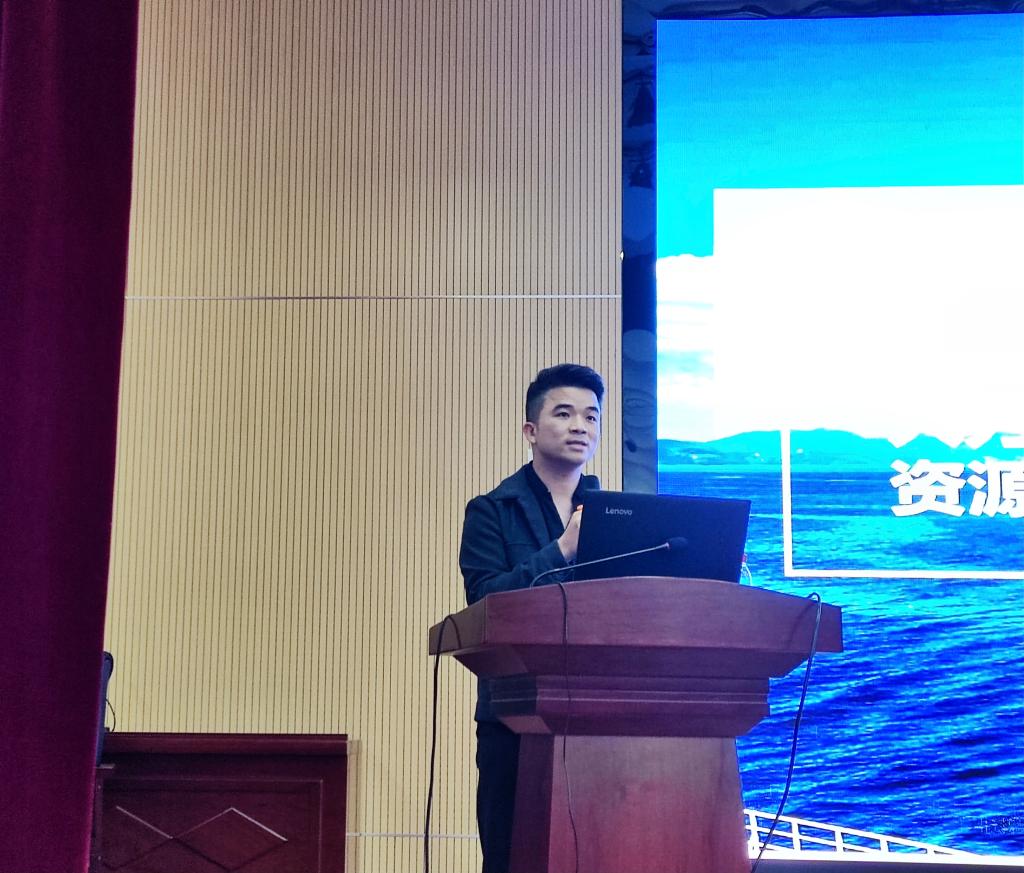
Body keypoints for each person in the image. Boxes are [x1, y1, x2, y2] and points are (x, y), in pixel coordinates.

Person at [458, 363, 604, 873]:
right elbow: (486, 604)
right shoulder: (491, 512)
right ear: (531, 430)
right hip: (514, 719)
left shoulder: (617, 513)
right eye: (563, 413)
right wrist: (562, 550)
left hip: (600, 718)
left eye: (591, 416)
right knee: (513, 858)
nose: (580, 426)